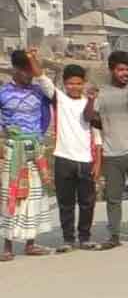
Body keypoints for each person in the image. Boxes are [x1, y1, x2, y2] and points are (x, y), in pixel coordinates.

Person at [83, 51, 128, 249]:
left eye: (127, 69)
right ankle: (114, 236)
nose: (124, 73)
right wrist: (90, 100)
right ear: (111, 70)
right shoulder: (102, 93)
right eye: (120, 69)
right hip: (111, 155)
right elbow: (88, 117)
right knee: (113, 199)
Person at [33, 63, 102, 252]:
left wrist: (98, 162)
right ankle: (68, 240)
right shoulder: (60, 99)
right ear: (64, 84)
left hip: (86, 160)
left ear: (84, 83)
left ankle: (85, 238)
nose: (74, 87)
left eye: (78, 83)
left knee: (87, 203)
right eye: (70, 83)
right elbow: (42, 78)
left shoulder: (90, 103)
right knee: (66, 203)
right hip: (63, 158)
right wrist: (32, 59)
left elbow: (96, 134)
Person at [0, 50, 54, 260]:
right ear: (15, 69)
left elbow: (51, 93)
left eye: (31, 71)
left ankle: (31, 243)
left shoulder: (39, 91)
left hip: (35, 149)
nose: (29, 75)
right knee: (11, 195)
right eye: (25, 70)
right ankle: (7, 246)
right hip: (12, 150)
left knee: (35, 195)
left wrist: (34, 62)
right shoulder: (3, 93)